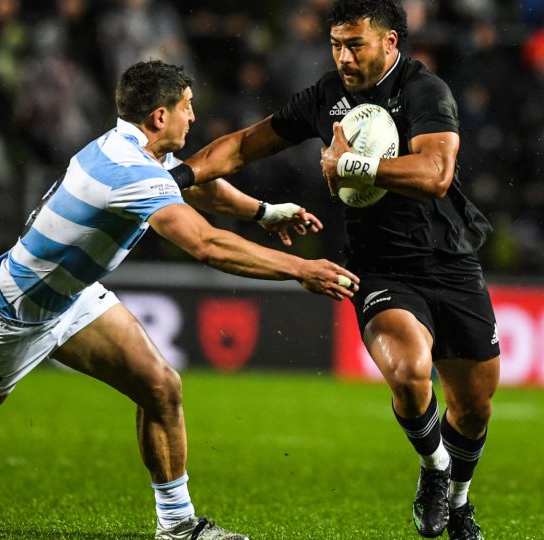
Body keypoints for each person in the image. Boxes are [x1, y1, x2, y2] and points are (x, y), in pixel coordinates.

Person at [0, 60, 359, 540]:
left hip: (71, 298)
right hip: (8, 310)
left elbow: (194, 185)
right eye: (186, 105)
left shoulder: (138, 152)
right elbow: (205, 244)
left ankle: (178, 525)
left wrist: (264, 212)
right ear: (160, 115)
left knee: (160, 386)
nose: (193, 115)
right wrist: (301, 269)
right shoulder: (127, 171)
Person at [180, 1, 497, 538]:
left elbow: (438, 172)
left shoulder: (425, 91)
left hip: (451, 260)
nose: (343, 57)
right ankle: (435, 468)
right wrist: (177, 174)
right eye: (336, 45)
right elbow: (240, 146)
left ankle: (460, 502)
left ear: (391, 42)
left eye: (356, 44)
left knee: (473, 407)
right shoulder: (327, 97)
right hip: (380, 266)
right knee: (408, 370)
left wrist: (351, 164)